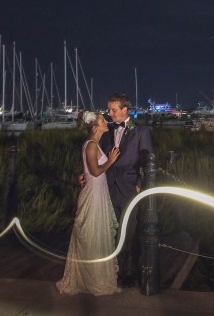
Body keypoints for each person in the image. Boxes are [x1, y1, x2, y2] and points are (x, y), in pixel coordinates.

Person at [56, 111, 121, 296]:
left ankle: (97, 276)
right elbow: (95, 171)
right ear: (95, 127)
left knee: (97, 234)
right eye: (102, 120)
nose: (106, 121)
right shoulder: (91, 145)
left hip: (97, 192)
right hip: (93, 194)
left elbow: (87, 171)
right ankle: (92, 278)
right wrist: (110, 160)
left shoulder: (95, 143)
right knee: (91, 234)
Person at [100, 93, 153, 288]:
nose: (110, 113)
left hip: (130, 189)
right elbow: (100, 156)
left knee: (128, 233)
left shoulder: (140, 131)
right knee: (110, 232)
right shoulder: (106, 131)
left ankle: (127, 273)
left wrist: (140, 182)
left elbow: (147, 159)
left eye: (113, 110)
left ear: (125, 110)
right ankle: (112, 271)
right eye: (109, 109)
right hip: (107, 187)